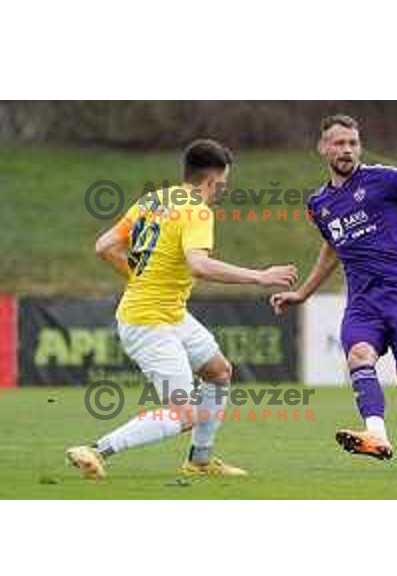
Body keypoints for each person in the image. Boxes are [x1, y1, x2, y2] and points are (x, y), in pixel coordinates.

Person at [67, 139, 297, 479]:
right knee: (184, 413)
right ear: (211, 181)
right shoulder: (197, 210)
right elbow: (199, 266)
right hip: (148, 322)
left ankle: (200, 460)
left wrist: (140, 277)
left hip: (169, 313)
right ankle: (96, 450)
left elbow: (105, 246)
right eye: (222, 184)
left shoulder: (155, 199)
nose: (221, 190)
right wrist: (261, 276)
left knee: (219, 371)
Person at [270, 115, 397, 471]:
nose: (347, 150)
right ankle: (376, 435)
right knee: (359, 356)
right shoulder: (318, 203)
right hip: (363, 302)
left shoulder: (386, 179)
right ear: (323, 148)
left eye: (352, 142)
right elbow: (333, 248)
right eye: (339, 143)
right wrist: (303, 293)